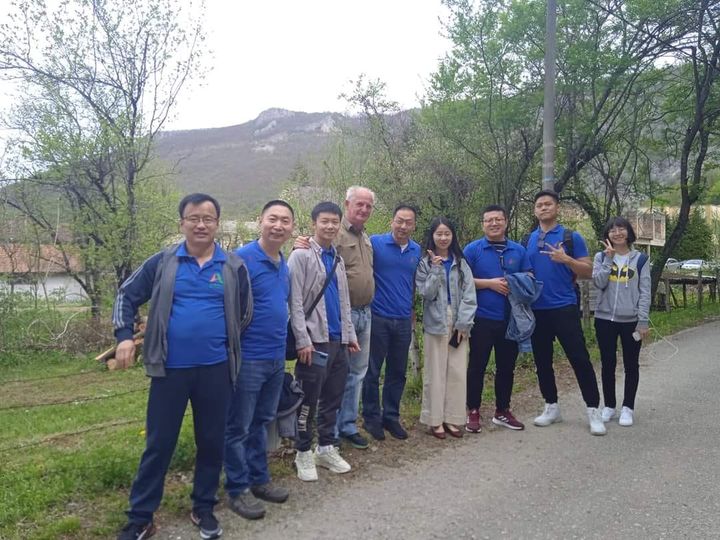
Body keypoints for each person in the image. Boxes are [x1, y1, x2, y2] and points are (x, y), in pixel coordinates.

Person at [112, 193, 252, 540]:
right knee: (159, 444)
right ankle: (141, 517)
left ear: (217, 223)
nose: (201, 224)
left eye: (208, 218)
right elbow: (126, 295)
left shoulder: (232, 266)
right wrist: (124, 336)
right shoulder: (163, 262)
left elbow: (244, 313)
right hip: (169, 370)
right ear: (182, 223)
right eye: (194, 218)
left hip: (216, 370)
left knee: (212, 442)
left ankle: (203, 507)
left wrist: (220, 339)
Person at [224, 200, 294, 521]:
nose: (278, 226)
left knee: (262, 422)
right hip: (248, 358)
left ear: (292, 227)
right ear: (260, 221)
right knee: (238, 425)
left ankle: (259, 479)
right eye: (272, 219)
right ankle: (236, 489)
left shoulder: (284, 263)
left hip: (276, 357)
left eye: (285, 221)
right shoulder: (241, 260)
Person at [525, 190, 606, 436]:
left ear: (557, 208)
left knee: (579, 358)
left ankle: (593, 410)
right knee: (542, 361)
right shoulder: (527, 239)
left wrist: (566, 259)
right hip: (536, 309)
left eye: (548, 204)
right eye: (539, 205)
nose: (543, 208)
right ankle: (551, 406)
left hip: (564, 306)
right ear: (535, 210)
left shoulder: (571, 237)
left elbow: (589, 271)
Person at [288, 201, 359, 481]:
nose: (330, 226)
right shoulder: (301, 256)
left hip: (338, 341)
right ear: (314, 223)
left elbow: (344, 301)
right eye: (324, 221)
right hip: (313, 341)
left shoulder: (337, 259)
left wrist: (349, 336)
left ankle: (325, 447)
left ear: (340, 225)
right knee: (307, 401)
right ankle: (302, 451)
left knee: (333, 398)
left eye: (334, 222)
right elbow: (294, 301)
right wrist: (302, 339)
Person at [463, 205, 532, 433]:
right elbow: (461, 280)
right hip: (481, 318)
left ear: (506, 222)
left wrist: (515, 282)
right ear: (483, 224)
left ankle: (502, 410)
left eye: (498, 219)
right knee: (477, 366)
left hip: (510, 320)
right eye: (489, 220)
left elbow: (529, 276)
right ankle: (473, 410)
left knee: (506, 367)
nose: (494, 223)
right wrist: (489, 284)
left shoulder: (518, 250)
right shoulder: (473, 249)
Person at [362, 204, 421, 440]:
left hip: (403, 319)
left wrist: (413, 310)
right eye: (399, 221)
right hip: (378, 316)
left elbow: (415, 282)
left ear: (414, 226)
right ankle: (371, 418)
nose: (403, 226)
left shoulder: (417, 250)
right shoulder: (375, 243)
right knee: (372, 370)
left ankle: (391, 416)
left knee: (398, 371)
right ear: (392, 221)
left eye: (408, 222)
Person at [415, 217, 476, 439]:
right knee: (435, 372)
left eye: (447, 233)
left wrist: (464, 323)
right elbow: (426, 293)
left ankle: (453, 418)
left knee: (457, 371)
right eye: (439, 234)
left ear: (453, 236)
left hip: (459, 321)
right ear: (432, 236)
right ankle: (434, 420)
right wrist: (435, 269)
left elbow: (470, 294)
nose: (443, 238)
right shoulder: (425, 263)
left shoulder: (461, 262)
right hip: (435, 322)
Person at [592, 216, 651, 427]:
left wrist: (642, 320)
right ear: (607, 235)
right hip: (604, 319)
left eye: (621, 229)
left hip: (631, 321)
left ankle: (628, 407)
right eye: (612, 230)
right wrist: (608, 260)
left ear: (628, 232)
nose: (617, 233)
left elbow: (645, 292)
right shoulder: (600, 257)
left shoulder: (641, 259)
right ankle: (609, 406)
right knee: (607, 363)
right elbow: (598, 283)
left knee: (631, 365)